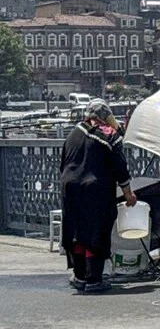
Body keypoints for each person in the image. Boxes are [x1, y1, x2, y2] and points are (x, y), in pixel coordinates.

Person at [60, 99, 137, 293]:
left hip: (69, 188)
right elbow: (120, 166)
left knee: (77, 233)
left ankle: (79, 276)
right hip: (95, 191)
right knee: (95, 232)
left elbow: (63, 164)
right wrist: (128, 193)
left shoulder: (73, 134)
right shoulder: (108, 135)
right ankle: (94, 279)